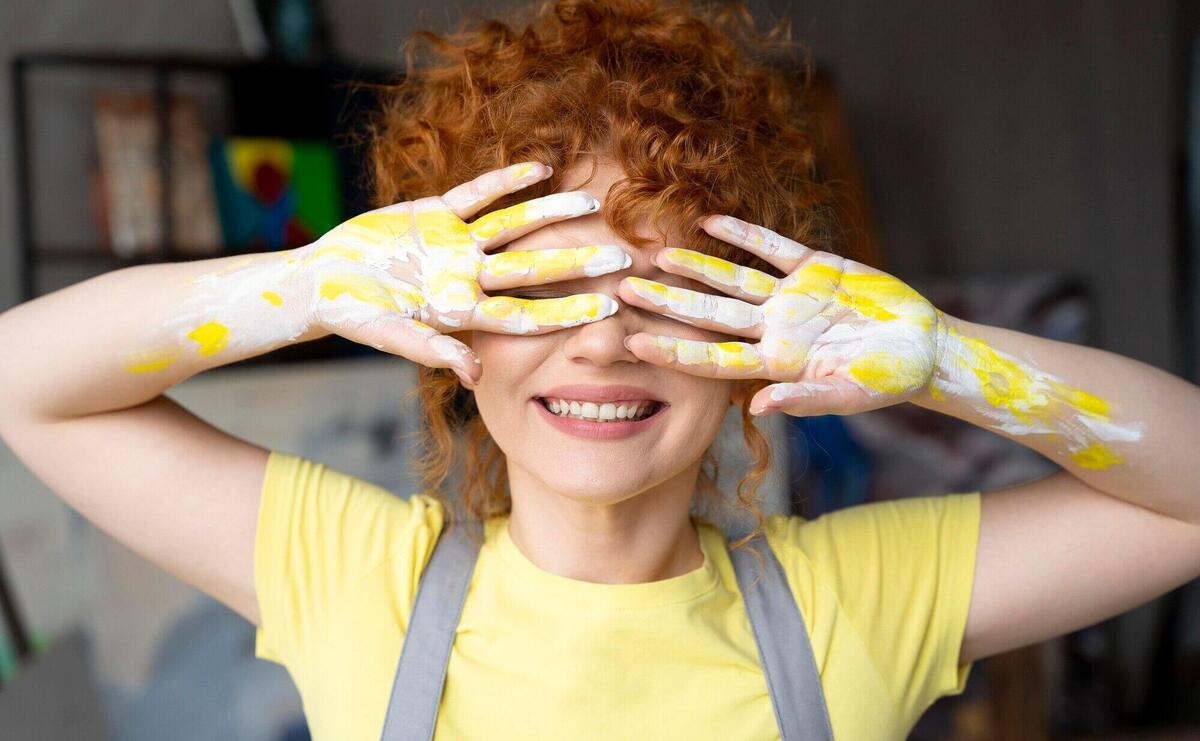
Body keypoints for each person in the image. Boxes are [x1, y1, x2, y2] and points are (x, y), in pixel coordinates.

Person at [1, 1, 1199, 739]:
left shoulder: (856, 608)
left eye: (665, 290)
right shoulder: (353, 582)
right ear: (449, 332)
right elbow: (25, 379)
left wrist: (945, 361)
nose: (602, 340)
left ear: (752, 346)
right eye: (542, 288)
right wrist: (301, 287)